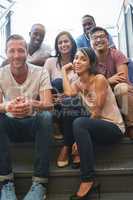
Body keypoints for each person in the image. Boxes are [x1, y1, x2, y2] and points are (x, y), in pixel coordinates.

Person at [62, 47, 125, 200]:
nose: (77, 61)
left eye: (83, 59)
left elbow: (97, 111)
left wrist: (78, 137)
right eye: (76, 58)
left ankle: (88, 178)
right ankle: (75, 151)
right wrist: (64, 71)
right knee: (68, 104)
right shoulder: (78, 82)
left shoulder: (99, 79)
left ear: (91, 64)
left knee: (79, 123)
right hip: (95, 127)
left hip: (113, 127)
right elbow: (68, 93)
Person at [0, 34, 53, 200]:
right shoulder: (0, 73)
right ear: (6, 52)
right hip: (10, 125)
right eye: (12, 51)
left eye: (21, 50)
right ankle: (5, 182)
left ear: (27, 52)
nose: (16, 55)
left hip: (32, 125)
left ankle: (40, 183)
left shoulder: (40, 72)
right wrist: (8, 106)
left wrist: (31, 103)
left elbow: (49, 104)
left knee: (46, 116)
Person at [44, 31, 82, 167]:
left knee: (71, 102)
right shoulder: (50, 62)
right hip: (54, 104)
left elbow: (82, 87)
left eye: (66, 41)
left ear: (72, 43)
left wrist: (66, 96)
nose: (63, 44)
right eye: (60, 42)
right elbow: (44, 84)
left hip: (72, 104)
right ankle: (56, 124)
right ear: (56, 46)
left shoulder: (79, 61)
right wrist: (53, 97)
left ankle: (66, 147)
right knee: (57, 83)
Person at [89, 26, 133, 138]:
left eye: (101, 36)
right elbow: (90, 86)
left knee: (121, 88)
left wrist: (103, 84)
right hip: (102, 96)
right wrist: (109, 81)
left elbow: (122, 79)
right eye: (95, 38)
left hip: (121, 94)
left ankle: (131, 126)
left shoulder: (116, 54)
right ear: (90, 42)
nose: (98, 40)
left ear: (108, 39)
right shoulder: (89, 60)